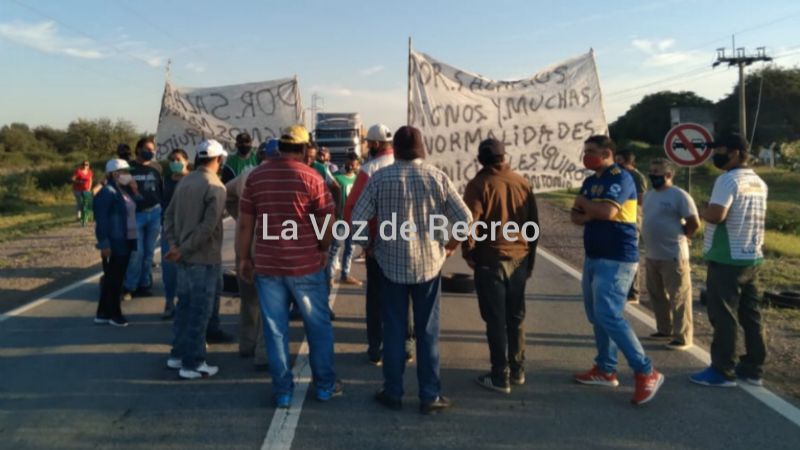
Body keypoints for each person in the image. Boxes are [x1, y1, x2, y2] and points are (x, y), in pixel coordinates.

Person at [351, 125, 472, 415]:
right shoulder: (437, 176)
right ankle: (430, 395)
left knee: (393, 329)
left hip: (389, 263)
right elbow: (465, 219)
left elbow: (356, 218)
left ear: (398, 149)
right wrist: (449, 247)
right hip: (429, 265)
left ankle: (393, 391)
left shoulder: (380, 177)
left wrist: (370, 244)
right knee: (427, 331)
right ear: (421, 148)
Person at [238, 125, 342, 408]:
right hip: (305, 265)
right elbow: (326, 222)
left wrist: (243, 258)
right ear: (303, 149)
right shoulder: (312, 176)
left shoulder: (256, 176)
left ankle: (282, 390)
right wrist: (323, 249)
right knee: (318, 326)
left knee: (275, 330)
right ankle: (324, 386)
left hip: (268, 266)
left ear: (280, 147)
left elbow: (246, 222)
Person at [570, 135, 664, 406]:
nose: (586, 156)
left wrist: (589, 208)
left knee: (608, 314)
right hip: (594, 255)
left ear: (607, 152)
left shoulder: (621, 178)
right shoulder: (591, 181)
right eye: (585, 151)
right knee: (596, 315)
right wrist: (591, 210)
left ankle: (646, 371)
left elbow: (608, 213)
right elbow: (575, 216)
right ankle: (606, 368)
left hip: (618, 257)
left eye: (592, 151)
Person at [462, 138, 539, 394]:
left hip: (490, 260)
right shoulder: (522, 182)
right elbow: (533, 225)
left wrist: (468, 251)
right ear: (505, 157)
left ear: (481, 159)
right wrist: (531, 261)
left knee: (495, 320)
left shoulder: (478, 184)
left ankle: (499, 375)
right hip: (519, 258)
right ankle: (517, 370)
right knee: (516, 317)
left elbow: (470, 221)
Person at [690, 135, 768, 387]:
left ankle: (722, 369)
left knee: (723, 315)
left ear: (734, 153)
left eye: (719, 150)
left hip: (727, 257)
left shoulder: (727, 179)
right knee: (751, 314)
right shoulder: (758, 181)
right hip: (752, 255)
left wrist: (702, 209)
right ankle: (753, 368)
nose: (715, 155)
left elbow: (716, 216)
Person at [344, 123, 416, 367]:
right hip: (408, 243)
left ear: (374, 144)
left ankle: (377, 349)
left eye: (368, 144)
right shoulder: (410, 167)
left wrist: (363, 242)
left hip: (378, 246)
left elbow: (352, 209)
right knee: (403, 298)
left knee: (376, 299)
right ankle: (406, 348)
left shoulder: (370, 170)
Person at [163, 139, 228, 380]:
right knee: (201, 310)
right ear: (218, 159)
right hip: (203, 257)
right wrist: (184, 248)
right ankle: (193, 362)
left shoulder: (186, 181)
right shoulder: (215, 186)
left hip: (183, 256)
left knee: (184, 307)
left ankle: (178, 354)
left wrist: (174, 245)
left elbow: (168, 215)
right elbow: (208, 228)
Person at [225, 139, 279, 370]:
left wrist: (239, 217)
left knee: (248, 300)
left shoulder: (247, 175)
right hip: (270, 248)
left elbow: (226, 193)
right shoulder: (282, 177)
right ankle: (263, 354)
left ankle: (246, 345)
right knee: (271, 303)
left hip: (244, 246)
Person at [642, 158, 699, 351]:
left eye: (657, 172)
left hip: (673, 255)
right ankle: (664, 329)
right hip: (652, 254)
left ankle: (683, 336)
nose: (653, 176)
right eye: (651, 172)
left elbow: (693, 222)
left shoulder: (679, 195)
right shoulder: (649, 195)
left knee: (679, 297)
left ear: (668, 175)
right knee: (656, 294)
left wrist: (684, 236)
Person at [93, 159, 140, 327]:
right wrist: (104, 243)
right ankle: (115, 313)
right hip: (116, 241)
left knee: (113, 277)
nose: (129, 175)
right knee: (115, 279)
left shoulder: (123, 191)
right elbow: (102, 220)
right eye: (126, 171)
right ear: (115, 174)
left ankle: (103, 312)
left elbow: (135, 206)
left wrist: (135, 190)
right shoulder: (107, 192)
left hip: (126, 240)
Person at [122, 137, 164, 301]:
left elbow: (160, 189)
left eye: (152, 149)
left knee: (148, 252)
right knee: (136, 252)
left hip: (154, 213)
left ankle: (144, 283)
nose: (151, 152)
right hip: (134, 215)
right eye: (147, 148)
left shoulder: (156, 167)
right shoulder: (129, 168)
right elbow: (120, 188)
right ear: (138, 149)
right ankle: (130, 286)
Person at [159, 148, 190, 320]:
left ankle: (184, 303)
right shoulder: (166, 181)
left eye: (178, 159)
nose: (175, 163)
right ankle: (169, 301)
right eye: (172, 160)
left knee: (186, 268)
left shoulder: (192, 179)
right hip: (169, 229)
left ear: (186, 161)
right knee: (169, 268)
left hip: (188, 229)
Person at [615, 149, 647, 304]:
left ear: (628, 161)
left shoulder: (637, 177)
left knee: (630, 254)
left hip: (632, 219)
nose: (617, 163)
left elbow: (641, 200)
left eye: (620, 159)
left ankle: (633, 292)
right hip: (617, 220)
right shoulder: (615, 175)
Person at [328, 153, 362, 286]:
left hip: (354, 220)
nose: (351, 165)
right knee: (335, 248)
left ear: (357, 164)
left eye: (354, 163)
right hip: (340, 220)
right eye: (349, 162)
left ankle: (345, 274)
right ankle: (330, 276)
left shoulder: (359, 179)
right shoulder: (336, 178)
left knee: (350, 249)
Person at [71, 160, 93, 226]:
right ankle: (79, 216)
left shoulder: (90, 171)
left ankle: (86, 216)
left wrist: (89, 188)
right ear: (81, 165)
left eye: (87, 165)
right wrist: (79, 182)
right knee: (80, 202)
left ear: (88, 166)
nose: (85, 166)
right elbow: (73, 179)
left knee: (86, 203)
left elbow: (91, 180)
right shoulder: (78, 171)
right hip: (77, 190)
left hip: (86, 190)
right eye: (84, 164)